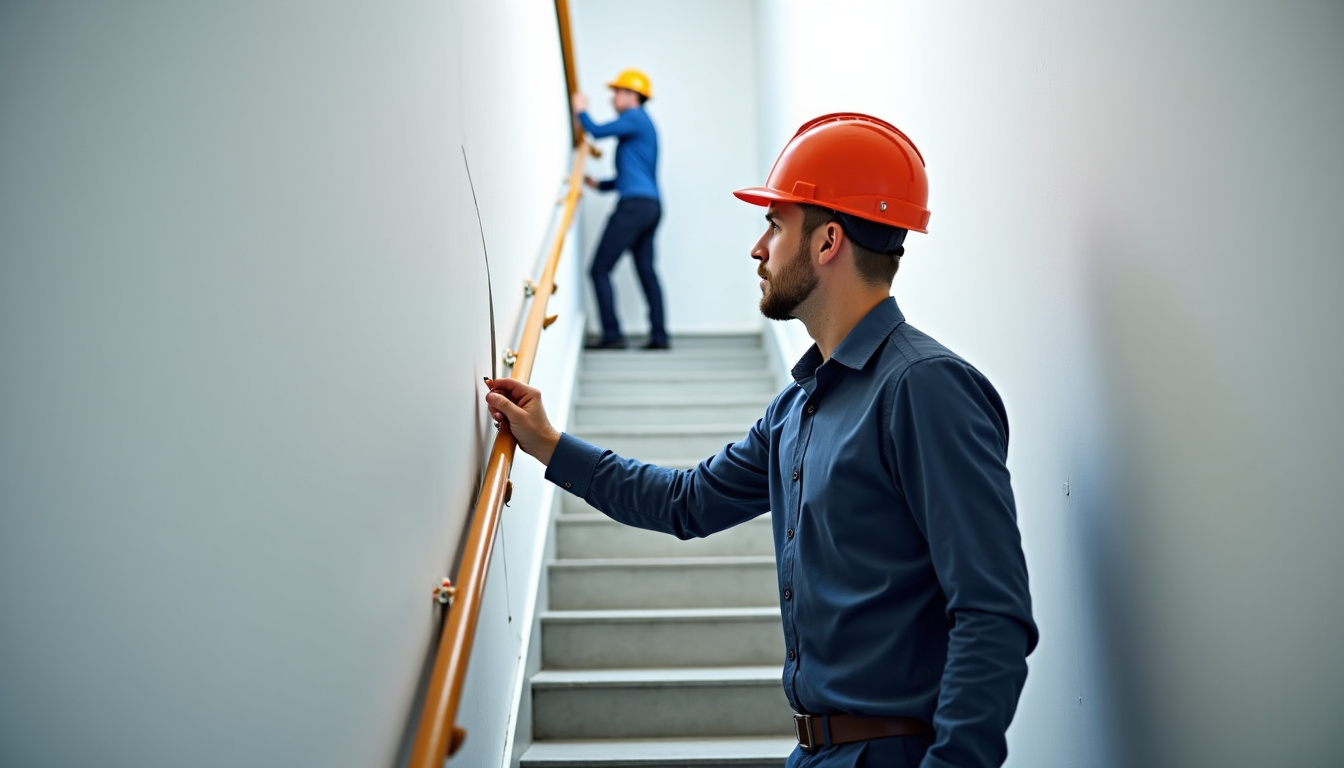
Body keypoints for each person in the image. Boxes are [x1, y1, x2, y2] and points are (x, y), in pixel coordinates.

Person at [485, 113, 1037, 768]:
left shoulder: (924, 388)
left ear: (828, 240)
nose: (757, 248)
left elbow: (991, 613)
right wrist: (548, 443)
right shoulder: (795, 411)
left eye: (775, 225)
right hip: (811, 753)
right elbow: (684, 502)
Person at [571, 68, 668, 350]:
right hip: (650, 205)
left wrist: (581, 111)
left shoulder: (634, 118)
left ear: (633, 96)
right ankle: (659, 337)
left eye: (618, 92)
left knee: (599, 268)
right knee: (646, 272)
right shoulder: (642, 124)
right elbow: (633, 174)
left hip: (635, 206)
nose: (613, 97)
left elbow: (597, 131)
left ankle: (612, 335)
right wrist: (599, 184)